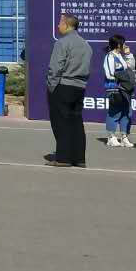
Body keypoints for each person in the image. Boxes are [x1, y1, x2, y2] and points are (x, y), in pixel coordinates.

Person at [45, 13, 92, 168]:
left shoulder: (62, 42)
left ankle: (63, 158)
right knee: (76, 122)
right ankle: (79, 158)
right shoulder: (85, 44)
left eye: (60, 23)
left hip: (63, 85)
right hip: (79, 86)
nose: (58, 26)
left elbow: (55, 67)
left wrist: (52, 86)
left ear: (67, 25)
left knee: (61, 122)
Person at [102, 34, 136, 149]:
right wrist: (122, 78)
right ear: (118, 44)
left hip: (125, 88)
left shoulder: (121, 56)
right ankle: (111, 137)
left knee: (127, 112)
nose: (125, 45)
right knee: (115, 112)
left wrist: (128, 54)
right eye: (123, 43)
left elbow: (131, 67)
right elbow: (109, 74)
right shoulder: (110, 56)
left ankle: (124, 136)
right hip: (115, 88)